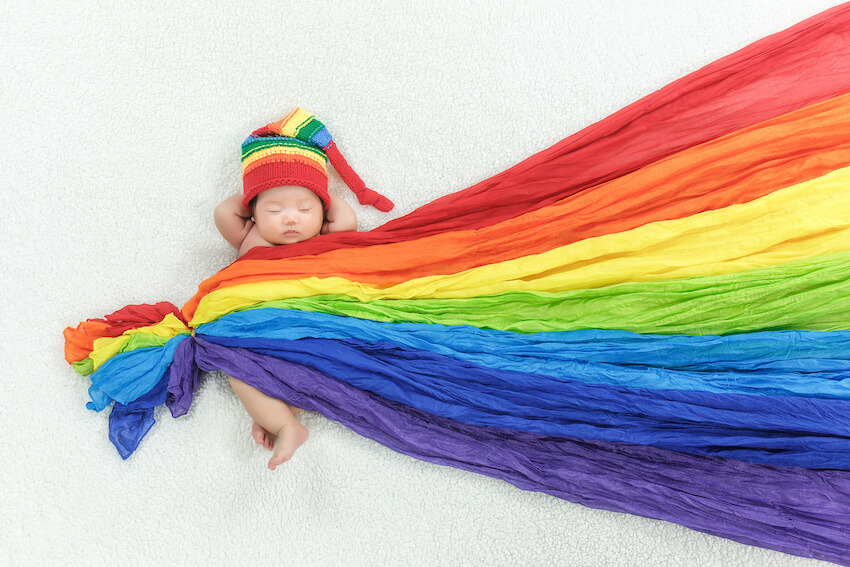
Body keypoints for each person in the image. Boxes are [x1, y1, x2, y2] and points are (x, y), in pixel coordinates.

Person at [214, 108, 394, 470]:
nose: (290, 217)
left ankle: (278, 415)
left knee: (314, 367)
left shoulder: (326, 236)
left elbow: (346, 220)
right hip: (258, 325)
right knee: (233, 362)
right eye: (275, 208)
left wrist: (325, 199)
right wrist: (254, 193)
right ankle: (280, 418)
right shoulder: (249, 236)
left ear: (323, 210)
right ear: (252, 212)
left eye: (304, 207)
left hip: (308, 323)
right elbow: (223, 211)